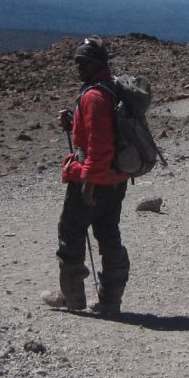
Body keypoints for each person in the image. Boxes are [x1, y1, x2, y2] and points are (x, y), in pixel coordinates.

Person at [46, 38, 130, 316]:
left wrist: (89, 184)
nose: (78, 67)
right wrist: (74, 122)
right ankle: (110, 300)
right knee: (108, 235)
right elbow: (103, 132)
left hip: (92, 179)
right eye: (76, 62)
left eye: (83, 62)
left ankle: (72, 297)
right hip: (116, 179)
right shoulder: (110, 88)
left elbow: (99, 144)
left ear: (97, 63)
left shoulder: (94, 96)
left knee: (70, 232)